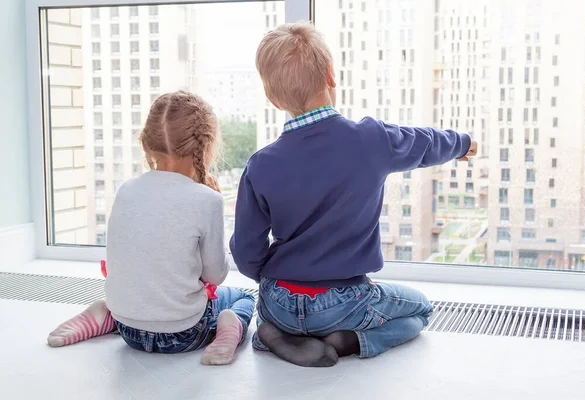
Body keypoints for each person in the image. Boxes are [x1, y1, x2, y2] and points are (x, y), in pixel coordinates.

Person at [229, 23, 478, 367]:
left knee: (283, 311)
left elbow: (245, 249)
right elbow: (424, 143)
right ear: (331, 76)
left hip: (277, 300)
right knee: (420, 309)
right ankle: (346, 342)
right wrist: (462, 143)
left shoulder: (260, 165)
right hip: (343, 302)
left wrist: (274, 280)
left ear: (273, 100)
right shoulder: (370, 140)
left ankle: (274, 332)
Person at [47, 91, 255, 366]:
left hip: (128, 330)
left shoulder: (126, 190)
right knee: (242, 297)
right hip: (185, 334)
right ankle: (228, 330)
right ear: (205, 145)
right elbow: (215, 276)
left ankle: (105, 314)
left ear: (147, 143)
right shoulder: (209, 199)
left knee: (140, 297)